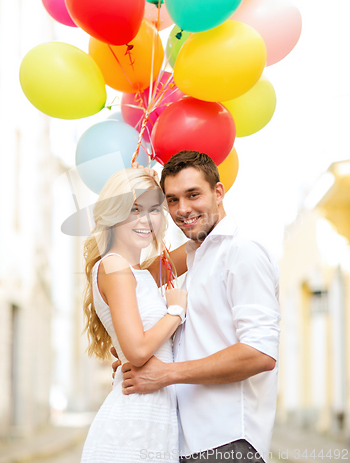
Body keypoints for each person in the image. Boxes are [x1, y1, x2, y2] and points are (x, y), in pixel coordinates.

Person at [117, 151, 281, 463]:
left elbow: (260, 353)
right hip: (188, 443)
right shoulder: (197, 254)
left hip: (228, 443)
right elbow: (133, 278)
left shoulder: (241, 250)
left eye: (193, 195)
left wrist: (164, 374)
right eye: (172, 200)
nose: (183, 209)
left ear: (218, 193)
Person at [80, 167, 188, 463]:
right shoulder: (114, 267)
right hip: (132, 424)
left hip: (155, 421)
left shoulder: (141, 272)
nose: (146, 219)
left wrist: (161, 179)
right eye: (133, 209)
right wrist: (175, 312)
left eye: (154, 209)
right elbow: (137, 351)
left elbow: (197, 244)